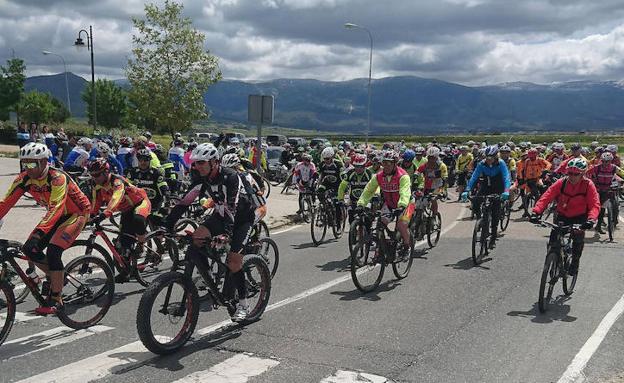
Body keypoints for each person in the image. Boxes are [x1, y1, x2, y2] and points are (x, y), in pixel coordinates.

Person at [164, 143, 254, 322]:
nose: (197, 166)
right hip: (221, 216)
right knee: (197, 238)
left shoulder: (230, 176)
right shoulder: (201, 178)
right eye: (195, 163)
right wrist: (166, 227)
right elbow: (184, 203)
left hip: (242, 219)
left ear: (215, 162)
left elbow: (232, 207)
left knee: (234, 261)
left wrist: (226, 234)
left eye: (202, 163)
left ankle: (244, 304)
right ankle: (209, 277)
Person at [0, 143, 91, 314]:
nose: (28, 168)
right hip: (56, 215)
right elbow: (5, 203)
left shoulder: (57, 178)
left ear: (43, 162)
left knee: (54, 251)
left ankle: (57, 298)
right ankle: (56, 276)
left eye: (32, 164)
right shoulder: (24, 178)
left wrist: (40, 232)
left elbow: (56, 207)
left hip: (76, 213)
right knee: (29, 249)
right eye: (24, 164)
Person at [530, 158, 599, 276]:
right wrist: (536, 212)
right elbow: (547, 196)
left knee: (577, 241)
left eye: (576, 174)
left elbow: (594, 204)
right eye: (570, 173)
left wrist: (591, 220)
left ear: (582, 174)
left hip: (580, 217)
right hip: (562, 215)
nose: (572, 176)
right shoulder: (562, 182)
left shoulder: (588, 185)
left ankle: (575, 263)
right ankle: (552, 259)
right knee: (553, 242)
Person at [88, 158, 151, 282]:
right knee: (124, 242)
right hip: (125, 209)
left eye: (97, 175)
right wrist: (91, 216)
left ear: (106, 172)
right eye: (92, 175)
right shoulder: (96, 185)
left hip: (139, 203)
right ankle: (126, 272)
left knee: (138, 220)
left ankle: (141, 244)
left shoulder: (117, 181)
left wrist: (106, 213)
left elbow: (116, 198)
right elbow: (95, 202)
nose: (94, 178)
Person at [357, 150, 413, 258]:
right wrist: (361, 204)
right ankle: (380, 250)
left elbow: (405, 193)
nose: (386, 166)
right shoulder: (378, 176)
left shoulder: (403, 176)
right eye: (384, 163)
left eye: (389, 163)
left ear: (395, 163)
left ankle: (407, 246)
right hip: (390, 205)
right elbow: (368, 191)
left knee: (402, 225)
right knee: (380, 225)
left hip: (408, 204)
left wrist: (401, 206)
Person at [461, 145, 511, 249]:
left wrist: (506, 191)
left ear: (495, 156)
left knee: (495, 212)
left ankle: (493, 237)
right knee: (475, 203)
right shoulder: (481, 164)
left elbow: (506, 177)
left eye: (491, 157)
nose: (489, 159)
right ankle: (481, 220)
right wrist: (467, 190)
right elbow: (474, 177)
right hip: (486, 186)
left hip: (498, 188)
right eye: (487, 157)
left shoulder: (501, 163)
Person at [127, 149, 170, 252]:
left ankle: (163, 241)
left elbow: (163, 187)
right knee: (137, 225)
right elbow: (126, 187)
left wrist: (167, 200)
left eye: (146, 160)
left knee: (157, 226)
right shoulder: (133, 172)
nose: (143, 162)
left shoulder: (156, 172)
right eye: (141, 160)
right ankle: (142, 243)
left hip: (155, 203)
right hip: (140, 203)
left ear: (150, 160)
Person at [586, 151, 624, 234]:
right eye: (603, 161)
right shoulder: (597, 167)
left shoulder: (614, 168)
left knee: (603, 208)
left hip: (608, 189)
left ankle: (599, 226)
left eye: (607, 161)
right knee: (595, 206)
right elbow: (587, 172)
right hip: (598, 189)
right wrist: (590, 180)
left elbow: (622, 173)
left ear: (611, 161)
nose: (604, 163)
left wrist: (621, 181)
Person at [338, 153, 373, 223]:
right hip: (353, 200)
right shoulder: (350, 173)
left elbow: (374, 186)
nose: (358, 169)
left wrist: (376, 195)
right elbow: (342, 187)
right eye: (356, 166)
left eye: (361, 166)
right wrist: (341, 199)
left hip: (366, 200)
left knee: (367, 219)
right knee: (351, 217)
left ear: (364, 166)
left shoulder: (369, 173)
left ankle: (368, 231)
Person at [416, 147, 448, 215]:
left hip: (438, 187)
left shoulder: (442, 166)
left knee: (433, 199)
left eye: (433, 157)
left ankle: (434, 215)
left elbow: (445, 178)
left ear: (436, 157)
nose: (430, 159)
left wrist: (444, 190)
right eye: (429, 157)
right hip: (427, 187)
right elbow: (418, 171)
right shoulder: (425, 165)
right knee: (420, 202)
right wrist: (416, 175)